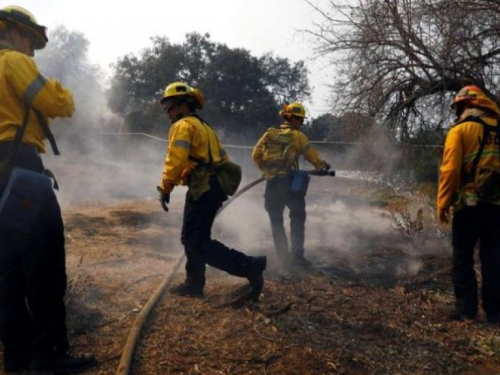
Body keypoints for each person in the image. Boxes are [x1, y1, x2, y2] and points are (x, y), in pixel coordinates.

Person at [0, 6, 96, 373]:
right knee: (44, 265)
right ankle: (49, 354)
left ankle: (16, 358)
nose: (31, 51)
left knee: (7, 270)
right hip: (20, 168)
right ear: (15, 32)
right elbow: (57, 104)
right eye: (29, 42)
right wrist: (63, 92)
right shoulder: (13, 61)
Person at [157, 81, 267, 301]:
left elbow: (175, 160)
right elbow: (222, 159)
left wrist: (165, 187)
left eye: (169, 105)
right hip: (212, 187)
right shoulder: (206, 128)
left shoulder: (182, 126)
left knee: (196, 241)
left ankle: (249, 266)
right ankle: (194, 285)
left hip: (203, 187)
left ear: (184, 104)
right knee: (193, 238)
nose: (167, 111)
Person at [438, 85, 500, 323]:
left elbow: (450, 171)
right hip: (497, 210)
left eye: (460, 107)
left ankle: (466, 311)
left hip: (469, 207)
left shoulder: (460, 130)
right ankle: (494, 313)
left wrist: (443, 203)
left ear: (466, 105)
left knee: (463, 258)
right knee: (494, 258)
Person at [252, 102, 330, 268]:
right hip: (290, 183)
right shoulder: (297, 137)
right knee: (297, 218)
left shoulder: (269, 134)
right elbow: (313, 156)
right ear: (294, 119)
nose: (301, 124)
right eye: (301, 120)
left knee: (276, 222)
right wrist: (322, 167)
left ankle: (283, 259)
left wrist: (267, 170)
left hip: (272, 184)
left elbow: (256, 154)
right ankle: (297, 257)